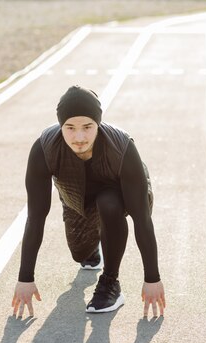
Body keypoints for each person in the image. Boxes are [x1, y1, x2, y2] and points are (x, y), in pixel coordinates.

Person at [11, 85, 165, 319]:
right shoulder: (44, 149)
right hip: (75, 195)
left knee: (109, 204)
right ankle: (93, 244)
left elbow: (141, 218)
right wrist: (25, 278)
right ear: (61, 126)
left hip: (117, 193)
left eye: (87, 127)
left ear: (98, 124)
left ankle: (110, 281)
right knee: (80, 253)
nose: (79, 137)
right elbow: (36, 216)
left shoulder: (122, 147)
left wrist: (152, 278)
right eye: (70, 128)